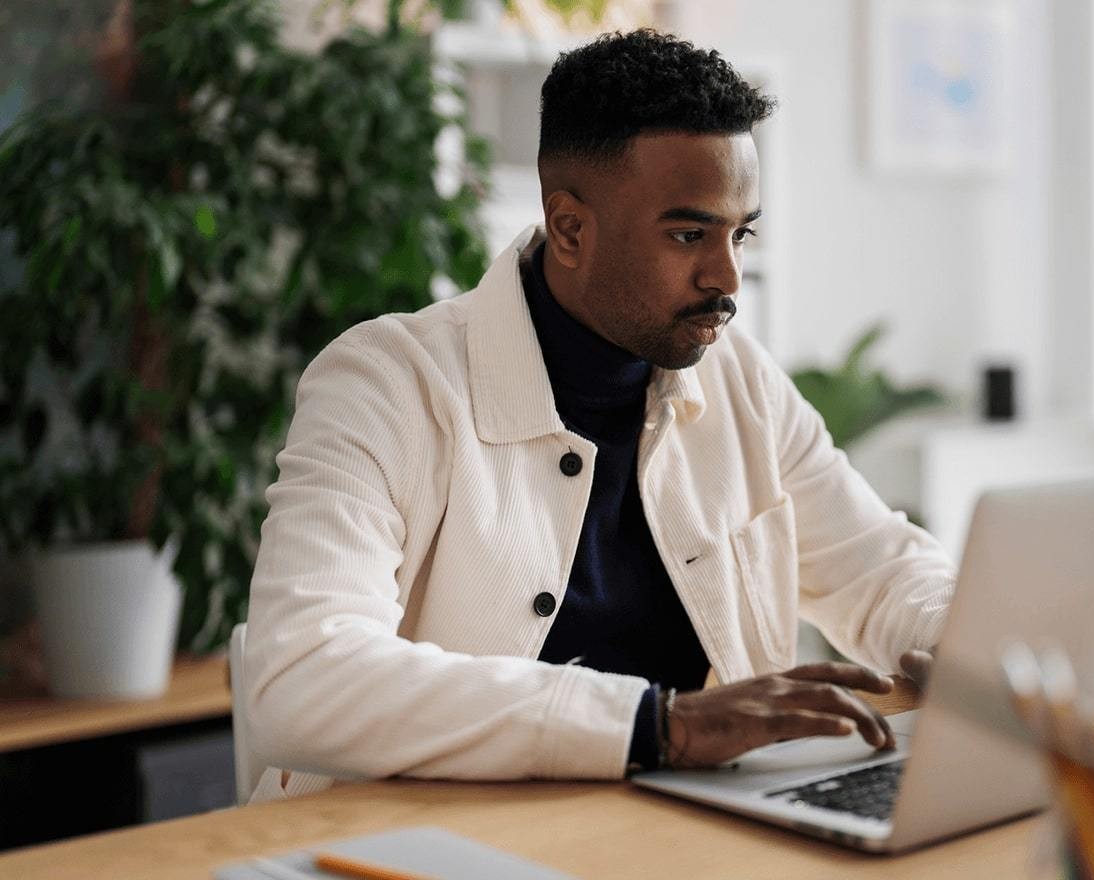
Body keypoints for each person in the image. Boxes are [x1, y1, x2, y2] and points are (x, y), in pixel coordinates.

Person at [243, 29, 954, 804]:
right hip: (416, 845)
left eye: (739, 233)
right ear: (572, 227)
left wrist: (970, 647)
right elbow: (304, 677)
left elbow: (882, 573)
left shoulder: (742, 380)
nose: (726, 276)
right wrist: (661, 725)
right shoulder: (384, 383)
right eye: (688, 234)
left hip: (670, 837)